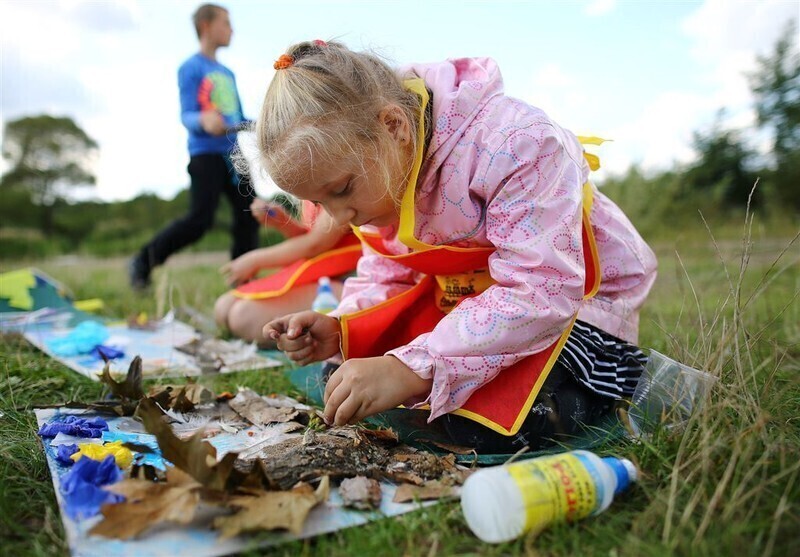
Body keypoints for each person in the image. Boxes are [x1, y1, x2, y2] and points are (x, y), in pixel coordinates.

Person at [261, 41, 658, 453]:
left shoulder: (517, 143)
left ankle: (600, 381)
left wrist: (411, 368)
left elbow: (542, 289)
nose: (337, 217)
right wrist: (344, 327)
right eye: (320, 203)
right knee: (341, 377)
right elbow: (388, 271)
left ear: (394, 126)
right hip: (472, 303)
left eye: (342, 190)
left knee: (493, 428)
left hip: (572, 305)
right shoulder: (380, 165)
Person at [129, 3, 258, 289]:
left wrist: (262, 123)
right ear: (206, 26)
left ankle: (244, 283)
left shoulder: (228, 73)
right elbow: (186, 115)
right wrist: (204, 119)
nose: (232, 29)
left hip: (234, 154)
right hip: (205, 154)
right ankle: (143, 262)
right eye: (225, 22)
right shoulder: (190, 67)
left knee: (250, 215)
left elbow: (238, 117)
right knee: (200, 221)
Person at [213, 197, 360, 344]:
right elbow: (310, 238)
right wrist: (282, 222)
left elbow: (315, 244)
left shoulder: (337, 186)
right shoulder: (312, 190)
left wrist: (255, 260)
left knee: (243, 316)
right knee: (223, 307)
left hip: (352, 282)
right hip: (324, 276)